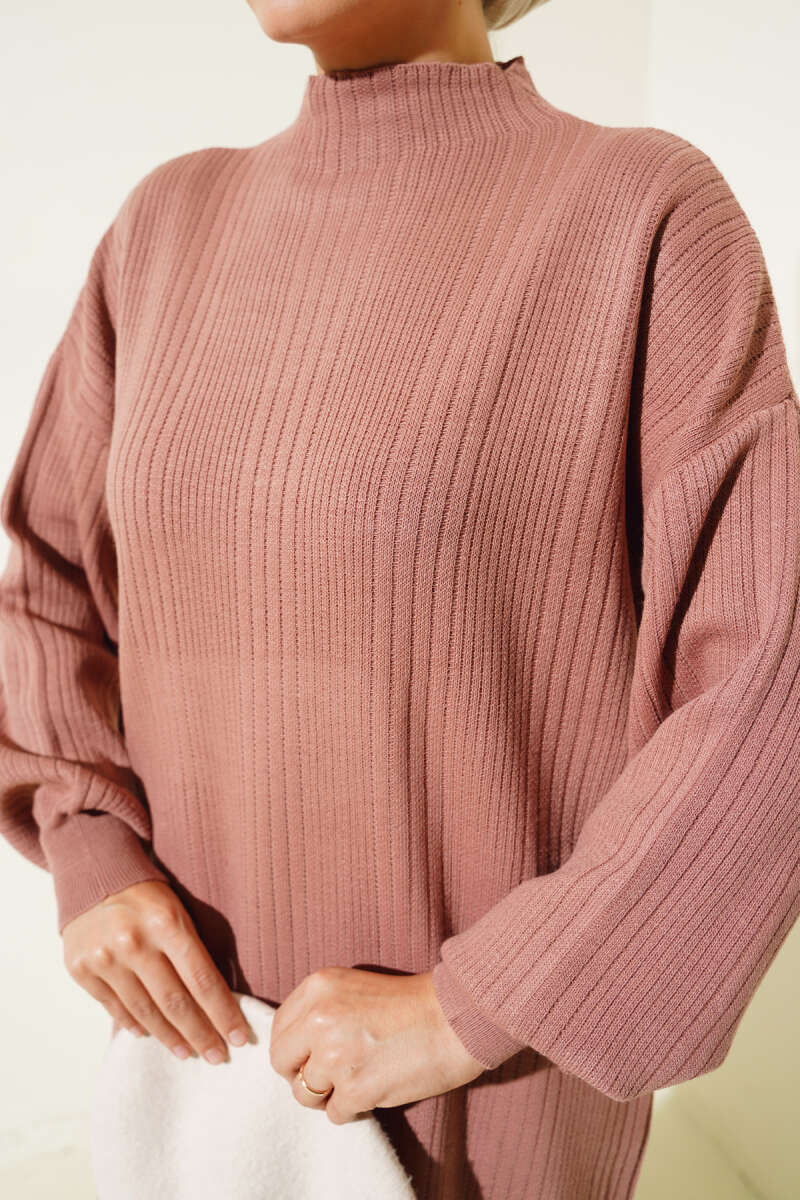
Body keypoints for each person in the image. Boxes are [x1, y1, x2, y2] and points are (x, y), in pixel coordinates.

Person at [1, 0, 799, 1196]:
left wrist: (472, 1007)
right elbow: (45, 582)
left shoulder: (640, 211)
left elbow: (768, 679)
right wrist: (88, 849)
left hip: (479, 1108)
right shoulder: (163, 226)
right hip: (205, 1096)